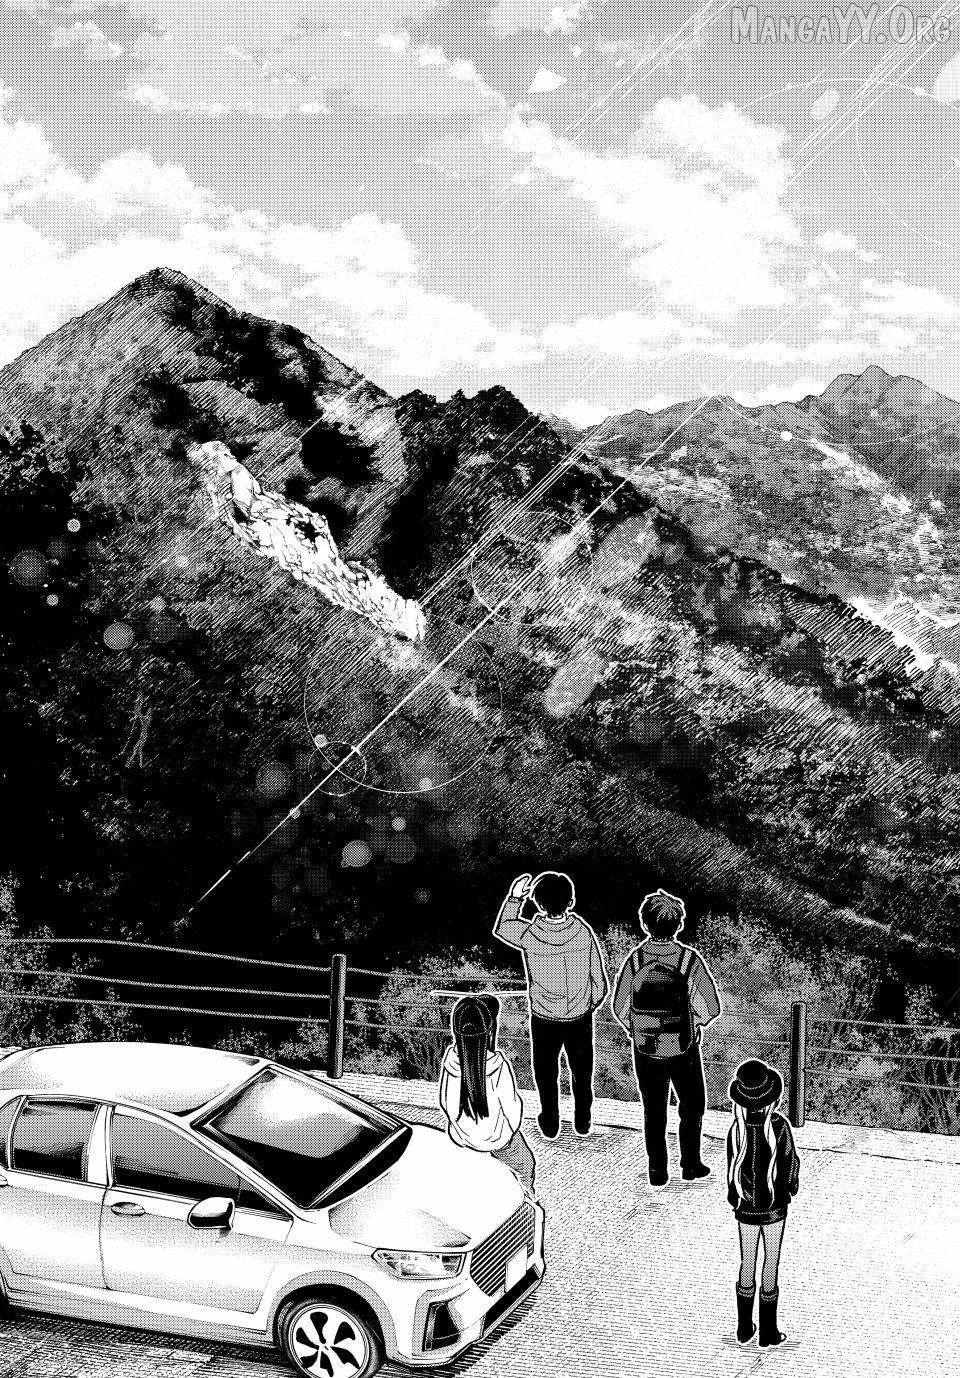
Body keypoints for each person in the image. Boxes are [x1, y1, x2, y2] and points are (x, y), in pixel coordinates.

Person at [611, 888, 721, 1185]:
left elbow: (619, 1007)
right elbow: (712, 1007)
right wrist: (693, 1023)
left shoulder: (635, 961)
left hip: (645, 1047)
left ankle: (657, 1171)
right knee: (692, 1105)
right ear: (679, 924)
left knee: (654, 1109)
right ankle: (690, 1164)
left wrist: (637, 1027)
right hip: (684, 1046)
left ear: (644, 923)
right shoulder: (689, 960)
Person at [494, 870, 608, 1139]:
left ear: (538, 903)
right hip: (579, 1017)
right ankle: (583, 1121)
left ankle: (550, 1122)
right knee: (582, 1072)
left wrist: (514, 897)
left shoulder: (530, 934)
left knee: (546, 1073)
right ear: (571, 901)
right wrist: (588, 1004)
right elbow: (599, 980)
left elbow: (502, 927)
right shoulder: (582, 933)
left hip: (544, 1017)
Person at [726, 1059, 800, 1347]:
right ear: (773, 1098)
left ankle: (744, 1328)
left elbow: (731, 1168)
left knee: (747, 1261)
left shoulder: (736, 1129)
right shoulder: (779, 1126)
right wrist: (790, 1189)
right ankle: (768, 1332)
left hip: (745, 1206)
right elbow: (790, 1163)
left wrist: (735, 1197)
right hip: (774, 1206)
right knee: (771, 1262)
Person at [438, 994, 536, 1192]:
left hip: (463, 1138)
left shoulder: (450, 1063)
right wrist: (502, 1133)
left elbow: (445, 1102)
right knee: (526, 1166)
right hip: (497, 1139)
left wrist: (464, 1129)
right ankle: (527, 1196)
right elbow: (512, 1110)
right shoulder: (497, 1066)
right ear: (489, 1030)